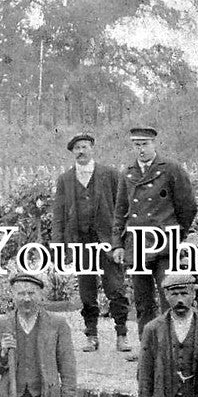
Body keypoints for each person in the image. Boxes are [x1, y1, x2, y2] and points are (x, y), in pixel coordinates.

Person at [111, 126, 197, 357]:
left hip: (164, 245)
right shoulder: (127, 173)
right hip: (136, 246)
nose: (141, 149)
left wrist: (176, 234)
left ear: (154, 144)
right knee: (142, 301)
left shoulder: (170, 169)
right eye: (136, 145)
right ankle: (148, 349)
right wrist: (117, 244)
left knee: (169, 296)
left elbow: (188, 206)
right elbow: (120, 211)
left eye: (145, 144)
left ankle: (173, 348)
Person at [52, 133, 131, 353]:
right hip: (81, 243)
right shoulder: (65, 180)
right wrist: (59, 245)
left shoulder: (110, 174)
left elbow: (122, 209)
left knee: (115, 288)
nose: (81, 151)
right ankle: (91, 335)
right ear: (72, 152)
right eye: (76, 148)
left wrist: (120, 243)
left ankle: (122, 334)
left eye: (84, 146)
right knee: (87, 292)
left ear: (92, 148)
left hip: (108, 242)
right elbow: (58, 214)